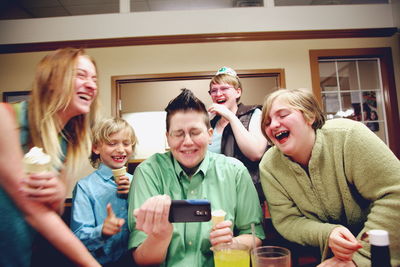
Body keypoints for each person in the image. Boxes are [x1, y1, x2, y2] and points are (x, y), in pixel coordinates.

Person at [259, 88, 400, 266]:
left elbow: (395, 194)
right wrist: (328, 233)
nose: (273, 125)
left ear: (310, 116)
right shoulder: (269, 166)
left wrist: (360, 258)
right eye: (267, 122)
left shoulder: (349, 136)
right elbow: (287, 221)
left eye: (283, 115)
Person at [128, 88, 265, 267]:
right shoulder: (148, 172)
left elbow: (255, 235)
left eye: (195, 132)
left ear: (209, 135)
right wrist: (159, 237)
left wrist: (233, 244)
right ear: (167, 138)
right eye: (178, 134)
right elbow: (142, 259)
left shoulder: (235, 171)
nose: (187, 142)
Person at [0, 47, 101, 267]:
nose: (92, 85)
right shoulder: (4, 119)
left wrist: (56, 198)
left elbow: (52, 211)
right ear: (53, 80)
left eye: (94, 78)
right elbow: (33, 211)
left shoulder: (64, 143)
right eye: (81, 75)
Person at [71, 117, 137, 266]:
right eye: (112, 143)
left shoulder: (139, 182)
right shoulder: (85, 187)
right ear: (96, 148)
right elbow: (77, 238)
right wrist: (102, 231)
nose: (121, 149)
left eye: (126, 143)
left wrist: (135, 194)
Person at [207, 66, 268, 204]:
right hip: (214, 195)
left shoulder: (254, 114)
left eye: (224, 89)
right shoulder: (210, 123)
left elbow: (256, 153)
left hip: (246, 195)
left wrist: (230, 116)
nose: (218, 94)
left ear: (238, 92)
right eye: (214, 90)